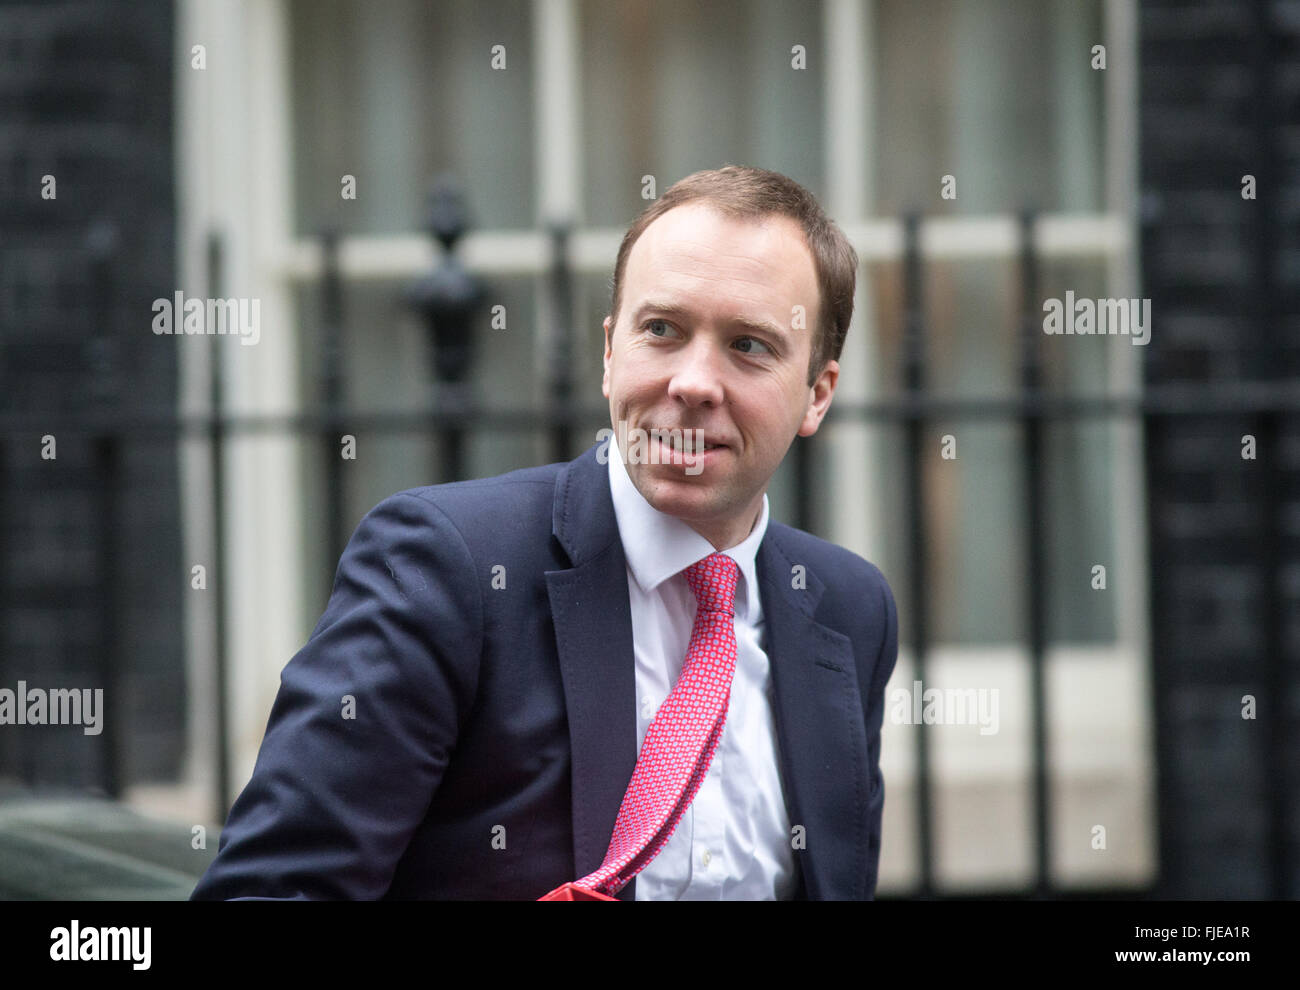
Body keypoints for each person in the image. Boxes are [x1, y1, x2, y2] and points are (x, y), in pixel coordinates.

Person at [191, 165, 898, 901]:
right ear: (609, 353)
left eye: (748, 345)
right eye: (661, 330)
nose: (693, 382)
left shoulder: (852, 609)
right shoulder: (445, 565)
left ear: (818, 395)